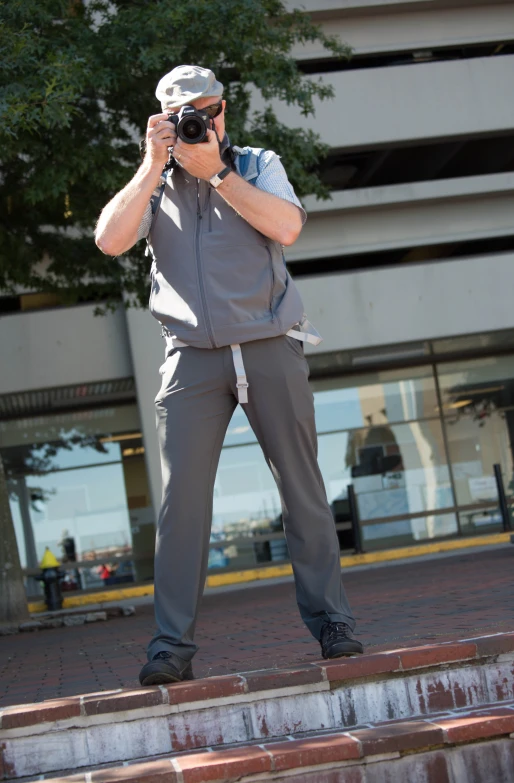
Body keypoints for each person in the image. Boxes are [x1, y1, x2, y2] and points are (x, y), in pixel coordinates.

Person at [95, 65, 363, 687]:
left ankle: (335, 625)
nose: (202, 121)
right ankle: (170, 647)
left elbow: (288, 226)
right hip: (192, 356)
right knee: (181, 507)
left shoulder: (257, 163)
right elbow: (110, 241)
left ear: (224, 110)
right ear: (162, 119)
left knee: (304, 490)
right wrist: (150, 163)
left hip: (270, 342)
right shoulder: (154, 182)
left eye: (210, 109)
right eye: (186, 113)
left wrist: (215, 172)